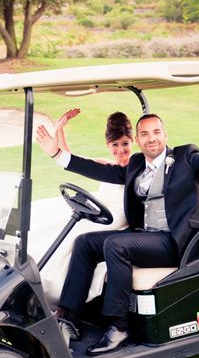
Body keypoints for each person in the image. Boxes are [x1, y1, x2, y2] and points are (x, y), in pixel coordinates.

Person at [36, 95, 199, 355]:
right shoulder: (136, 164)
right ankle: (69, 317)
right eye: (145, 134)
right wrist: (58, 155)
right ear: (138, 140)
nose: (151, 138)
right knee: (86, 243)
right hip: (146, 239)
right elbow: (101, 171)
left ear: (164, 135)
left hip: (177, 243)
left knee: (115, 244)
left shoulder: (186, 159)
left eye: (156, 132)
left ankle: (118, 325)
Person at [28, 109, 133, 306]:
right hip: (102, 214)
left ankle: (54, 288)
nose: (120, 150)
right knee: (48, 211)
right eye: (115, 145)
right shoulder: (107, 165)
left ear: (132, 141)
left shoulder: (135, 168)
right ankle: (29, 268)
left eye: (125, 144)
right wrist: (60, 130)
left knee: (76, 232)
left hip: (116, 222)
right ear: (108, 145)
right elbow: (73, 160)